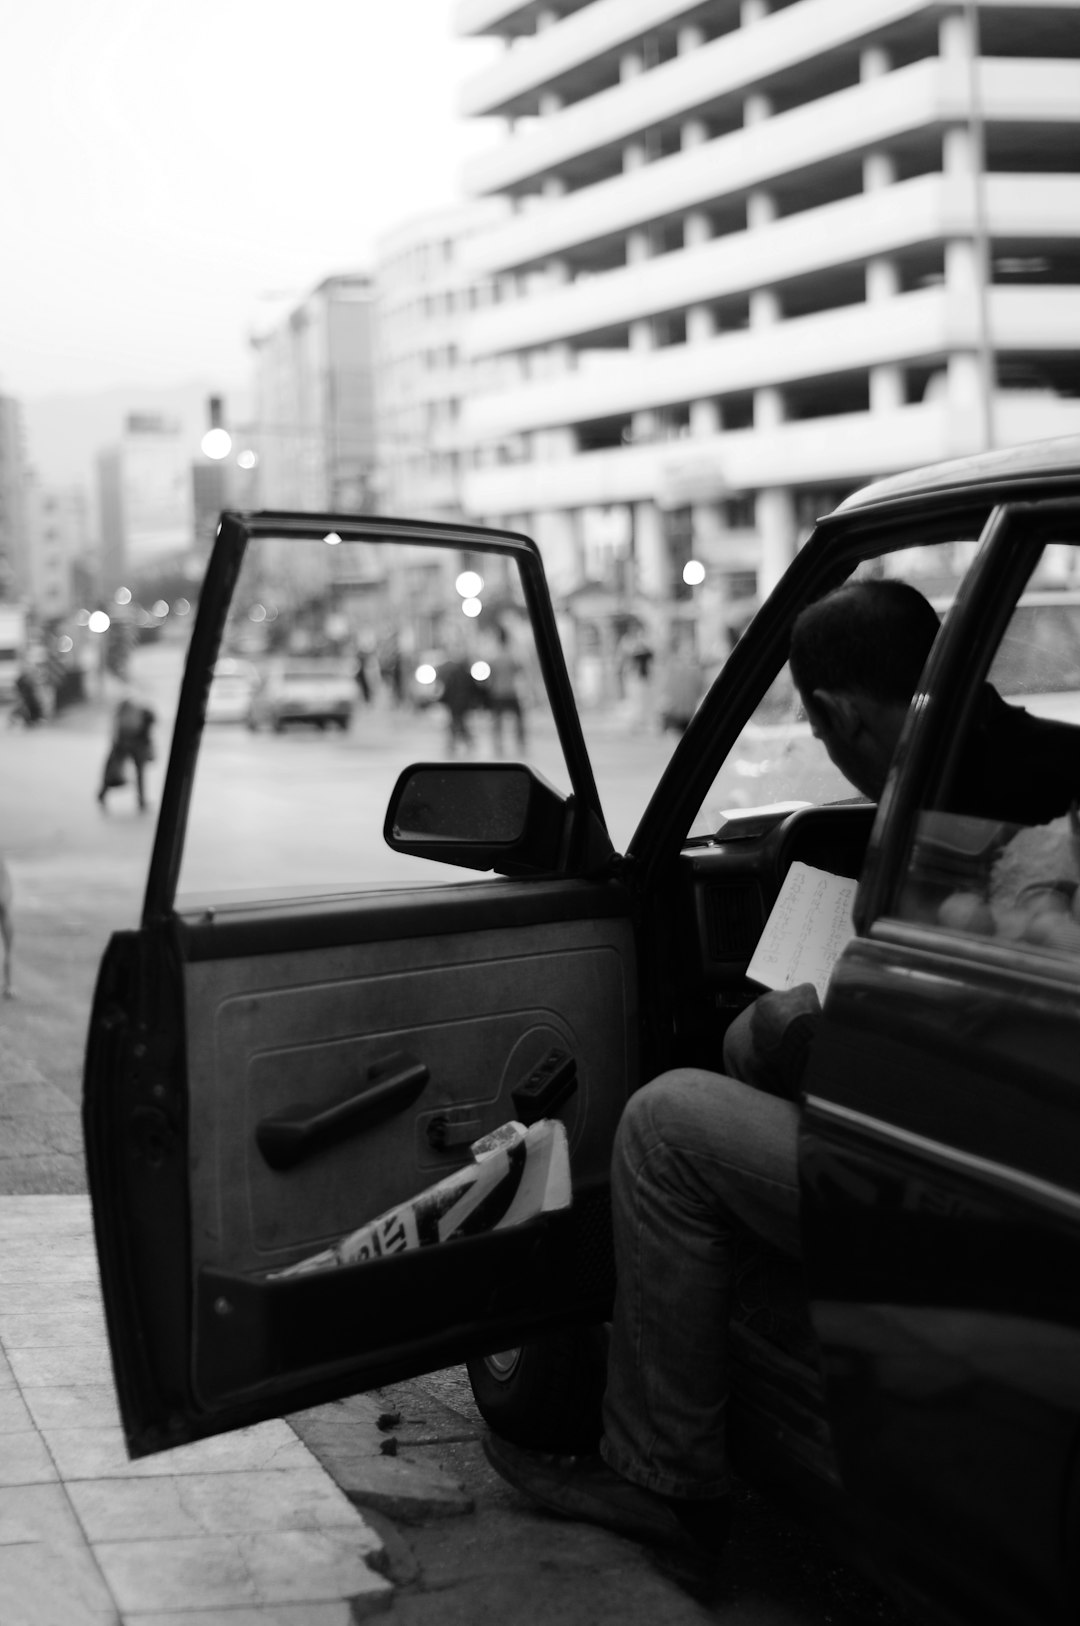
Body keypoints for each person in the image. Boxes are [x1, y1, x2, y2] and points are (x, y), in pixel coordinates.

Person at [481, 578, 1080, 1594]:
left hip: (983, 1164)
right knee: (749, 1051)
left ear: (836, 715)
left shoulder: (943, 803)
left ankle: (667, 1481)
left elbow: (943, 1053)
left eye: (825, 730)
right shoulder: (1053, 764)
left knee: (665, 1120)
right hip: (1013, 1128)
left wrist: (801, 1030)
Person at [98, 696, 156, 812]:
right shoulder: (143, 716)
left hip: (124, 742)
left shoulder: (130, 713)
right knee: (139, 772)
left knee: (113, 770)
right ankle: (141, 801)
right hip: (132, 744)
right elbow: (147, 738)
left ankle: (103, 794)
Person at [487, 624, 526, 754]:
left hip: (497, 692)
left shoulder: (493, 658)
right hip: (510, 692)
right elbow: (520, 669)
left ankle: (498, 745)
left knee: (497, 721)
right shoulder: (511, 656)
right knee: (519, 719)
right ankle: (520, 743)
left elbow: (489, 677)